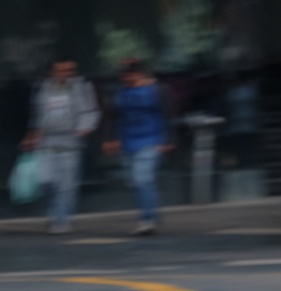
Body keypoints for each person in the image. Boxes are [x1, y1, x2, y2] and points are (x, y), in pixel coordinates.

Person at [21, 57, 100, 234]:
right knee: (46, 180)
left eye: (70, 71)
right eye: (61, 71)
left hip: (70, 142)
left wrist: (84, 128)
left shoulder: (82, 87)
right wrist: (32, 135)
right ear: (53, 72)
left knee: (67, 186)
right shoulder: (44, 88)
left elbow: (91, 111)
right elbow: (37, 114)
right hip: (47, 141)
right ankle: (54, 211)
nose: (66, 75)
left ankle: (62, 219)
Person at [102, 59, 175, 235]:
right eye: (125, 76)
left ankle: (147, 220)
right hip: (128, 142)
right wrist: (109, 138)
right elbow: (112, 116)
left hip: (151, 140)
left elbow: (169, 113)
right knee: (137, 181)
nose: (127, 79)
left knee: (144, 179)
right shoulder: (121, 93)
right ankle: (152, 212)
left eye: (131, 75)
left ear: (140, 74)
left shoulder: (157, 90)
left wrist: (170, 139)